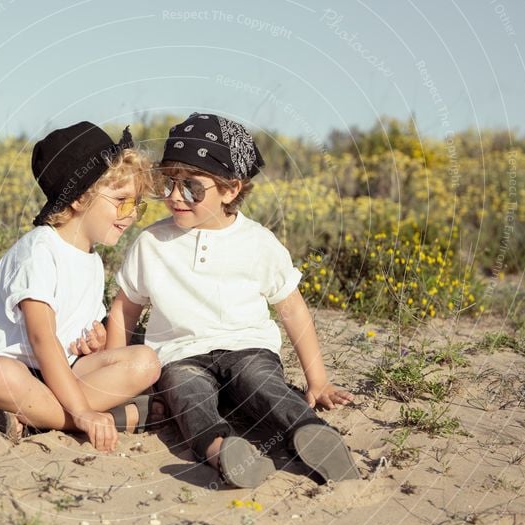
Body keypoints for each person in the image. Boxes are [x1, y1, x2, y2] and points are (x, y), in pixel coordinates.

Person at [106, 113, 360, 487]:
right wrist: (116, 375)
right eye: (168, 183)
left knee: (263, 386)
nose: (175, 196)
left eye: (192, 186)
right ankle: (221, 450)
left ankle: (311, 434)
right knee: (188, 397)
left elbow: (291, 309)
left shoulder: (259, 243)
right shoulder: (151, 243)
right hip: (181, 354)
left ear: (230, 188)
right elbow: (124, 310)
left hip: (248, 348)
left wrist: (317, 381)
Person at [0, 121, 161, 452]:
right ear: (79, 198)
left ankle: (38, 416)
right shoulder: (38, 250)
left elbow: (72, 335)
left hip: (62, 372)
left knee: (145, 361)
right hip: (16, 369)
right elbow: (41, 337)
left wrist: (96, 340)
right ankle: (94, 418)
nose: (131, 214)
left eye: (136, 204)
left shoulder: (91, 259)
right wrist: (81, 410)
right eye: (122, 201)